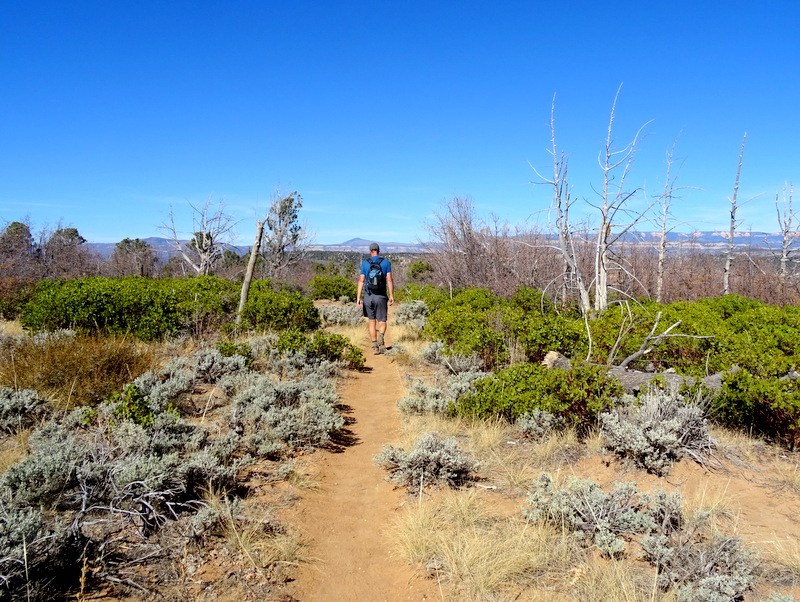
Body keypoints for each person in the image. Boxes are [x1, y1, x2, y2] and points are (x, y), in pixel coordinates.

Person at [356, 242, 394, 354]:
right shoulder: (386, 262)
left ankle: (374, 347)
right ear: (379, 250)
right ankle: (381, 340)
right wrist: (391, 295)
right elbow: (389, 280)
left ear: (370, 251)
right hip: (381, 296)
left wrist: (358, 297)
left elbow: (361, 280)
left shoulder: (365, 263)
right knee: (382, 320)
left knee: (371, 321)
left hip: (368, 295)